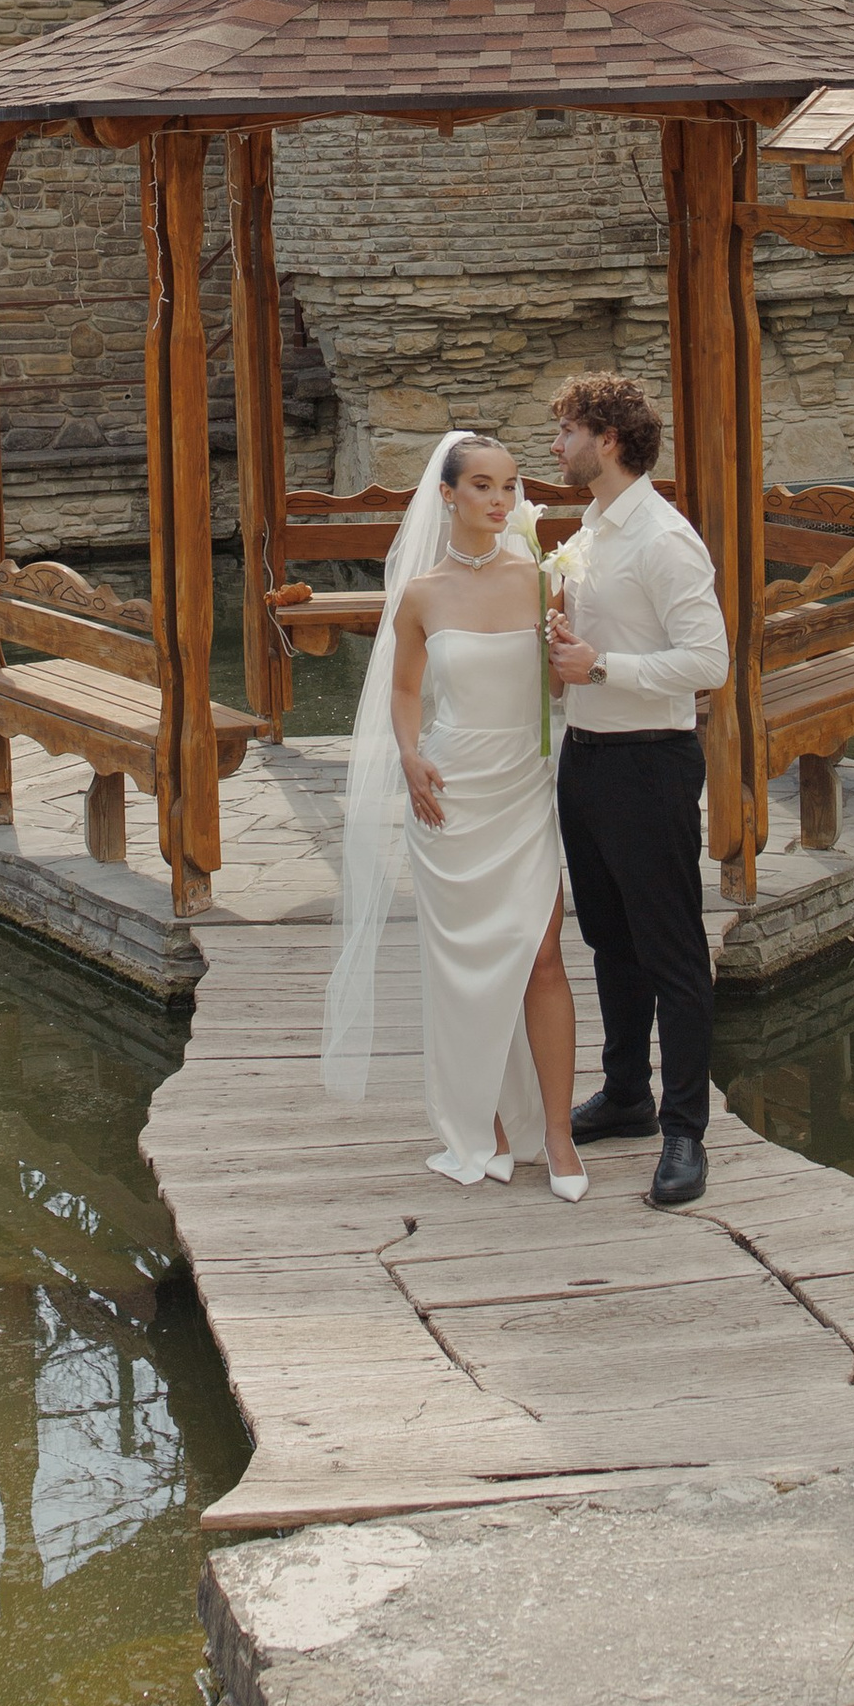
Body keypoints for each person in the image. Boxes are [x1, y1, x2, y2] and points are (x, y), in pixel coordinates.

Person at [320, 431, 589, 1197]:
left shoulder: (542, 578)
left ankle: (559, 1135)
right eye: (483, 486)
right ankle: (486, 1125)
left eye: (509, 486)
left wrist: (566, 653)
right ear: (448, 495)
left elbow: (558, 690)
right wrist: (409, 755)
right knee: (466, 971)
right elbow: (406, 691)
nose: (501, 500)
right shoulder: (422, 595)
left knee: (542, 957)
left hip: (523, 788)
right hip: (452, 795)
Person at [545, 372, 729, 1210]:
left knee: (672, 950)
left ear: (608, 440)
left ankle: (686, 1130)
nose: (557, 446)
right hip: (585, 758)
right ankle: (627, 1095)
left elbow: (708, 661)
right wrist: (568, 648)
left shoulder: (664, 538)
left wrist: (601, 666)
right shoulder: (592, 525)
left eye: (568, 431)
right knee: (610, 942)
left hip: (650, 762)